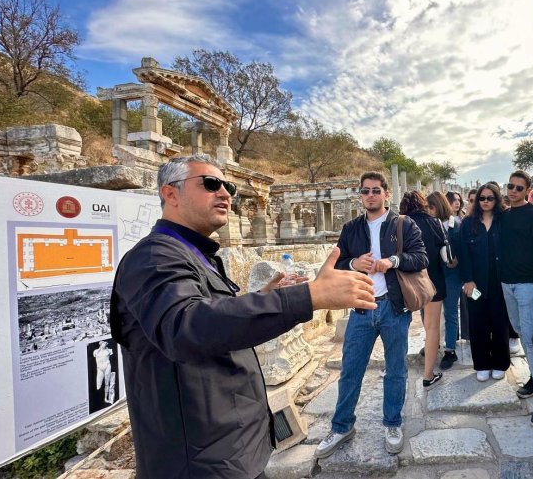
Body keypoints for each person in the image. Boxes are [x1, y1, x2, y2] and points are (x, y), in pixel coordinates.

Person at [111, 156, 375, 478]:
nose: (225, 193)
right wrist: (309, 297)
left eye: (229, 186)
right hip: (198, 461)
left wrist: (263, 298)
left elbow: (214, 319)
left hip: (230, 449)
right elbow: (185, 327)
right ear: (170, 194)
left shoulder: (193, 254)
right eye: (210, 184)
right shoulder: (154, 257)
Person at [315, 173, 428, 459]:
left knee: (396, 370)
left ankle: (392, 423)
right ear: (361, 196)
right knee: (350, 370)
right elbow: (337, 263)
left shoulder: (403, 224)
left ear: (386, 194)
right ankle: (341, 427)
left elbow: (421, 257)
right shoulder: (351, 228)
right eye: (365, 191)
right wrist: (354, 263)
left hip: (393, 306)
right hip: (362, 307)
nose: (370, 195)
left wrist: (393, 261)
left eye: (375, 190)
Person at [500, 170, 533, 427]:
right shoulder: (504, 215)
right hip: (506, 283)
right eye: (510, 186)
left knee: (531, 338)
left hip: (529, 284)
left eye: (519, 188)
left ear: (527, 191)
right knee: (520, 332)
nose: (513, 191)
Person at [459, 183, 510, 381]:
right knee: (478, 323)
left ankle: (500, 362)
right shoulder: (468, 223)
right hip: (477, 283)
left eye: (490, 198)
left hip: (500, 282)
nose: (486, 201)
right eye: (482, 198)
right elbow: (463, 253)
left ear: (497, 199)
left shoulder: (503, 221)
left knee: (500, 322)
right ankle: (481, 363)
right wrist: (468, 280)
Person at [400, 190, 447, 390]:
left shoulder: (397, 224)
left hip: (404, 283)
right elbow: (444, 252)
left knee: (400, 328)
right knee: (432, 328)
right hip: (432, 281)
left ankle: (397, 371)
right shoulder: (433, 223)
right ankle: (428, 375)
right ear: (422, 204)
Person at [433, 192, 462, 370]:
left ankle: (450, 349)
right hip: (434, 275)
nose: (429, 210)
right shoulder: (429, 225)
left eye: (431, 207)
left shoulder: (455, 225)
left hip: (451, 274)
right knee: (429, 313)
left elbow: (462, 249)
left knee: (450, 311)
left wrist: (456, 259)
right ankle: (432, 343)